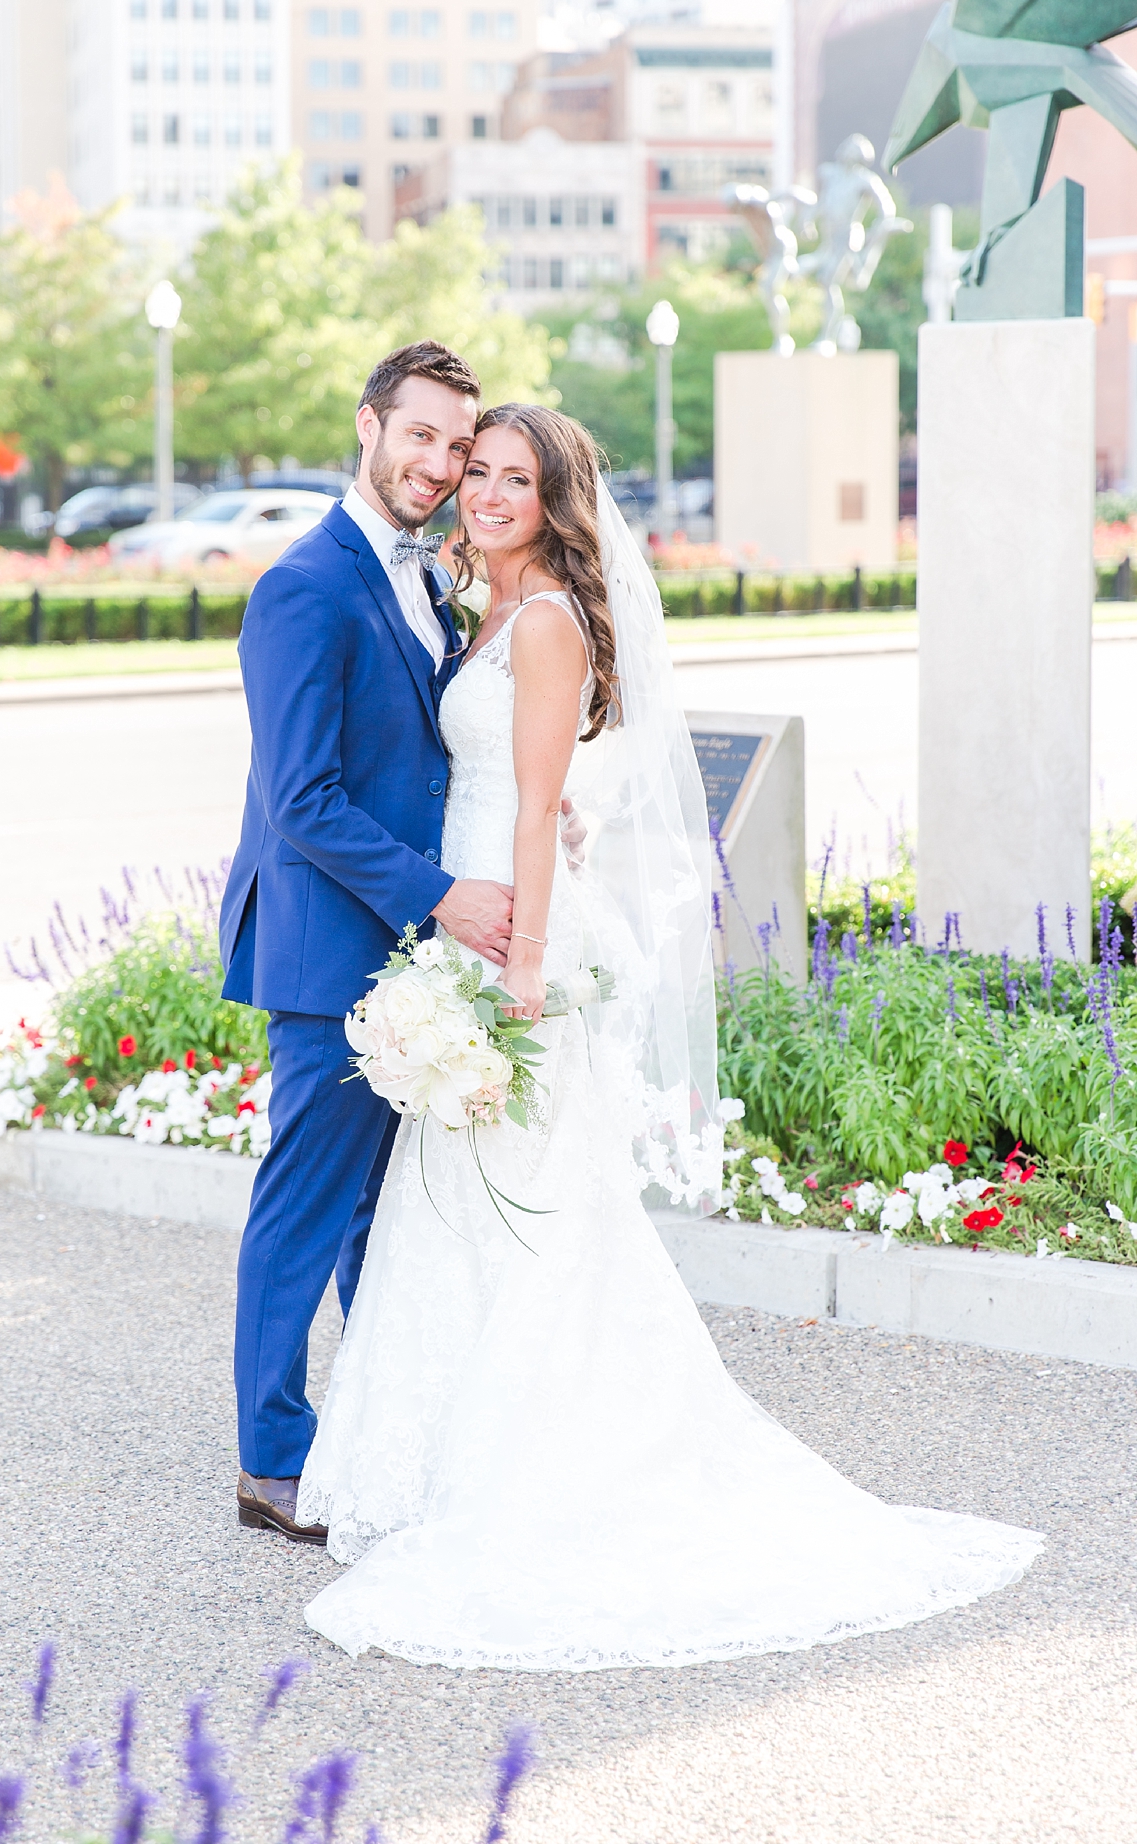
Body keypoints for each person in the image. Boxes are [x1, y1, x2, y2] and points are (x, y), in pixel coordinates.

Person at [296, 403, 1043, 1670]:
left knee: (526, 1209)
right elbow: (522, 794)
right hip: (473, 919)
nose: (481, 492)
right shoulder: (487, 608)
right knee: (471, 1210)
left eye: (511, 478)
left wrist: (521, 970)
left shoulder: (543, 622)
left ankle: (544, 1467)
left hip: (510, 948)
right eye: (473, 470)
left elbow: (536, 809)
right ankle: (448, 1462)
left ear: (554, 500)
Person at [219, 341, 520, 1545]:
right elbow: (304, 798)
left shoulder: (421, 574)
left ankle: (380, 1431)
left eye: (458, 446)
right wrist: (446, 894)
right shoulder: (305, 584)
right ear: (368, 426)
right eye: (422, 437)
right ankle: (271, 1457)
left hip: (402, 950)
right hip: (331, 946)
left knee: (379, 1212)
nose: (441, 466)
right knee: (306, 1205)